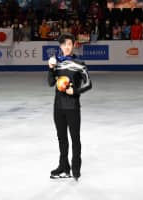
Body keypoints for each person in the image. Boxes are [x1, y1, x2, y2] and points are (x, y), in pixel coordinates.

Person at [47, 33, 92, 180]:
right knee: (62, 138)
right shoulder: (56, 62)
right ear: (60, 46)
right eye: (64, 44)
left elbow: (89, 84)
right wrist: (51, 68)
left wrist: (76, 91)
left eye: (69, 44)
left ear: (73, 45)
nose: (67, 47)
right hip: (58, 107)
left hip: (73, 106)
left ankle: (76, 168)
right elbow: (50, 83)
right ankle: (63, 166)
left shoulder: (80, 63)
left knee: (75, 138)